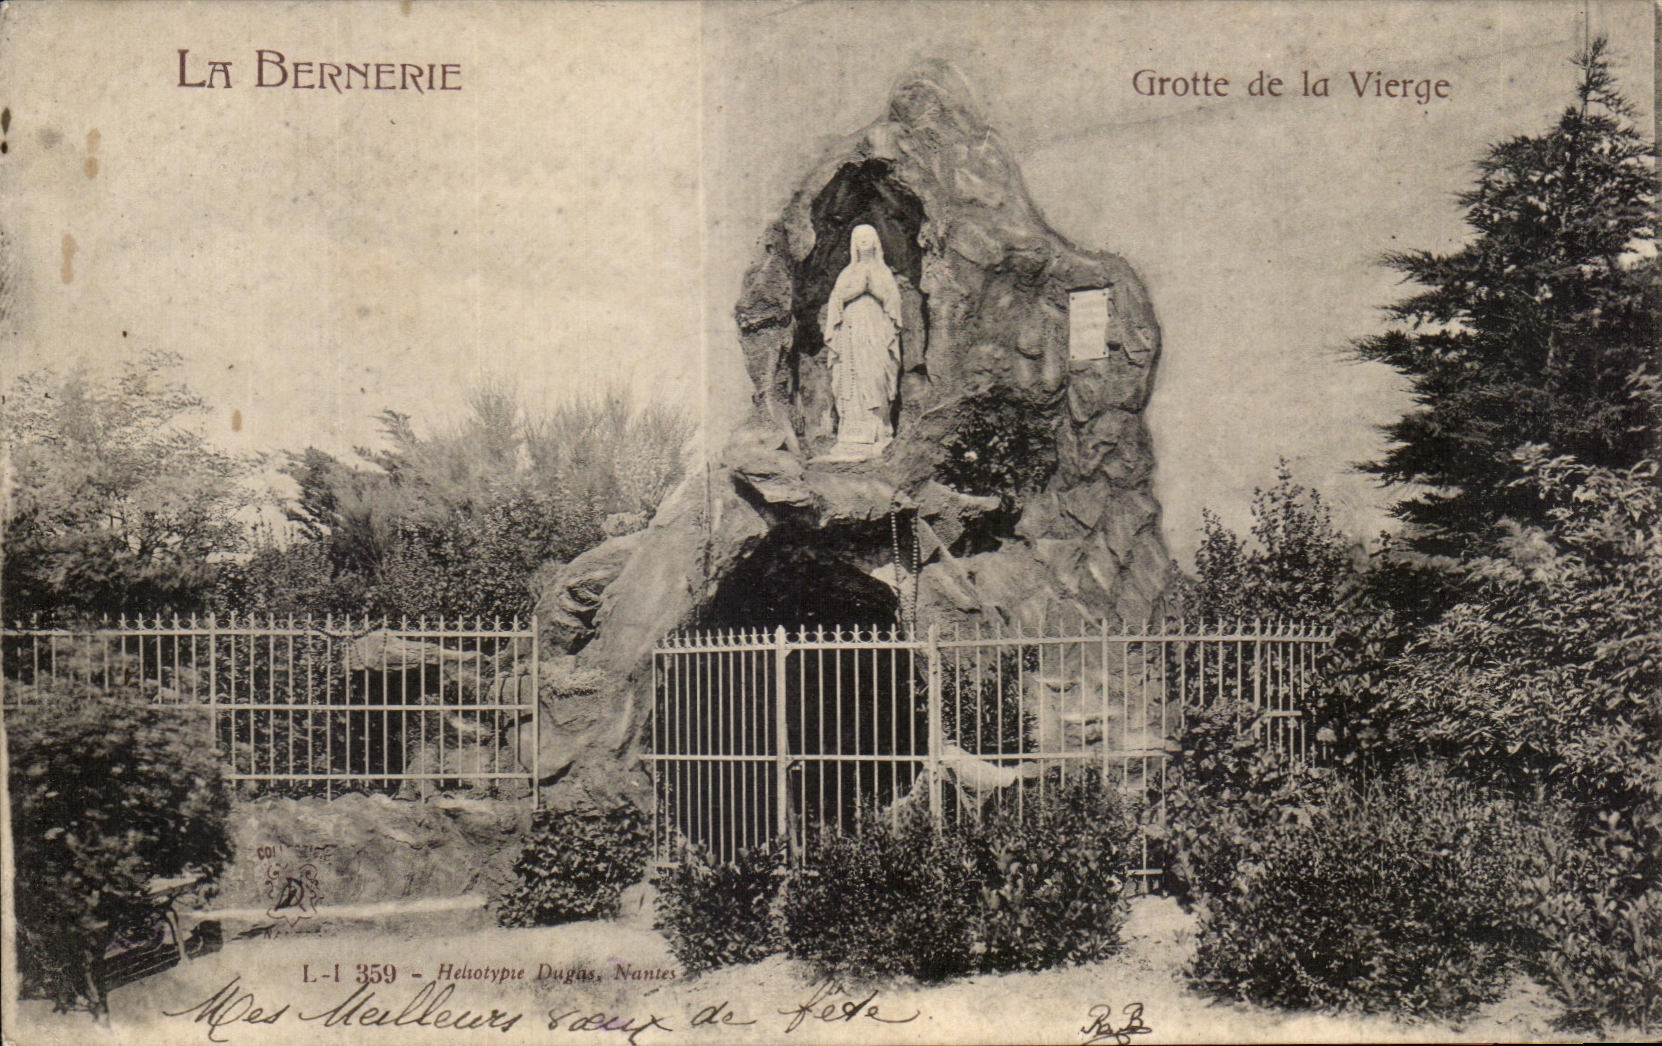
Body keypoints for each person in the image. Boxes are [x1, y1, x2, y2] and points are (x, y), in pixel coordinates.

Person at [822, 224, 902, 456]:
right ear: (853, 244)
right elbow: (836, 300)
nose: (863, 241)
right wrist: (855, 291)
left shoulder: (883, 272)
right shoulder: (847, 274)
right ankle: (851, 428)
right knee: (850, 376)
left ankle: (879, 427)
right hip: (851, 332)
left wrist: (873, 289)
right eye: (859, 237)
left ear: (876, 241)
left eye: (868, 237)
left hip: (876, 332)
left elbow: (894, 305)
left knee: (875, 374)